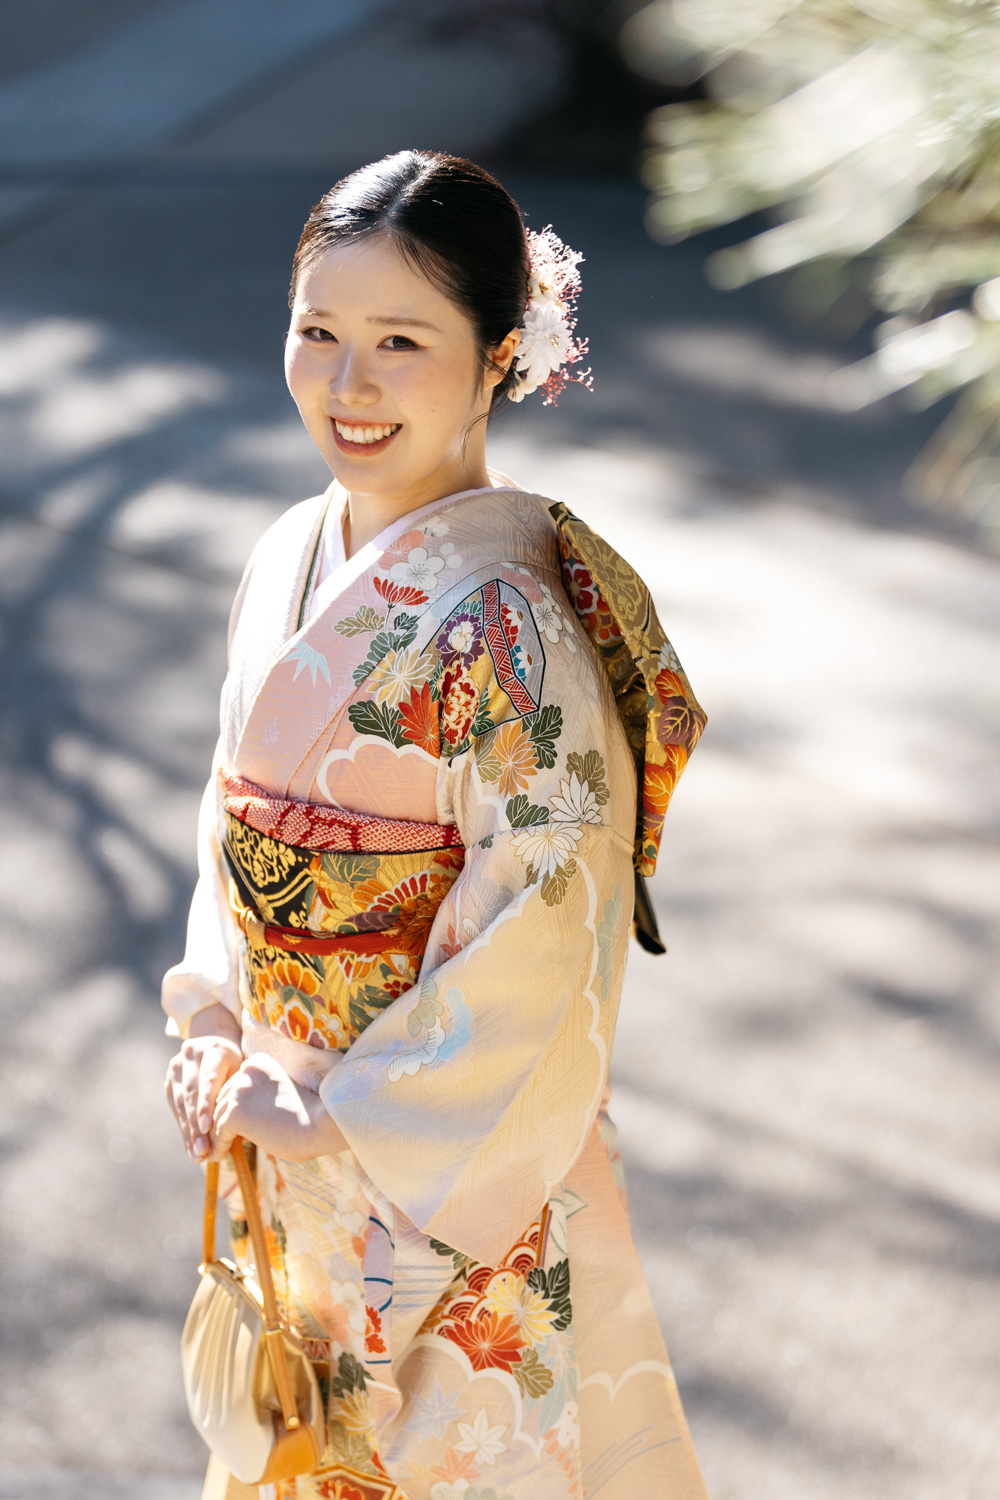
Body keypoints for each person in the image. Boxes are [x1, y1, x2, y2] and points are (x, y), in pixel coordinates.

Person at [163, 150, 708, 1500]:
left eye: (401, 343)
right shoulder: (284, 556)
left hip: (445, 1180)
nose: (350, 385)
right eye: (320, 333)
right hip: (286, 1132)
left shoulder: (510, 624)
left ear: (498, 357)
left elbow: (551, 934)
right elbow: (234, 826)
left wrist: (338, 1111)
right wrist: (217, 1019)